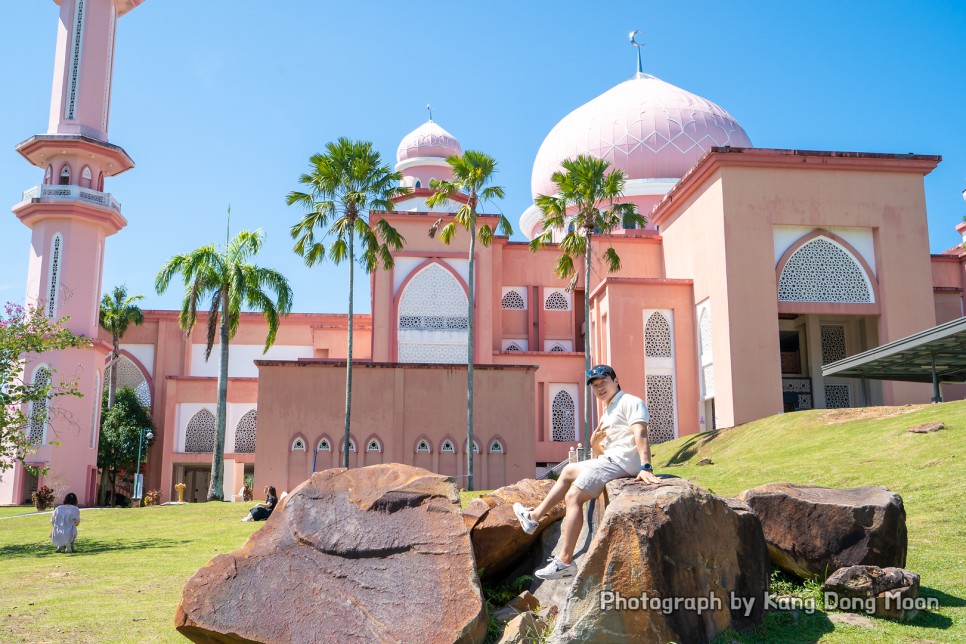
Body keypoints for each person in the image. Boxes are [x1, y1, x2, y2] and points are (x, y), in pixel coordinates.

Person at [514, 364, 663, 580]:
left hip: (621, 463)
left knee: (573, 496)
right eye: (595, 386)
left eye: (604, 382)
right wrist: (594, 444)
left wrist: (646, 466)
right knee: (568, 471)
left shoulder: (631, 402)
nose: (600, 388)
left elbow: (640, 433)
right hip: (611, 459)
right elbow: (603, 453)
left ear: (616, 380)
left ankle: (565, 561)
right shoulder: (608, 410)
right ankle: (533, 517)